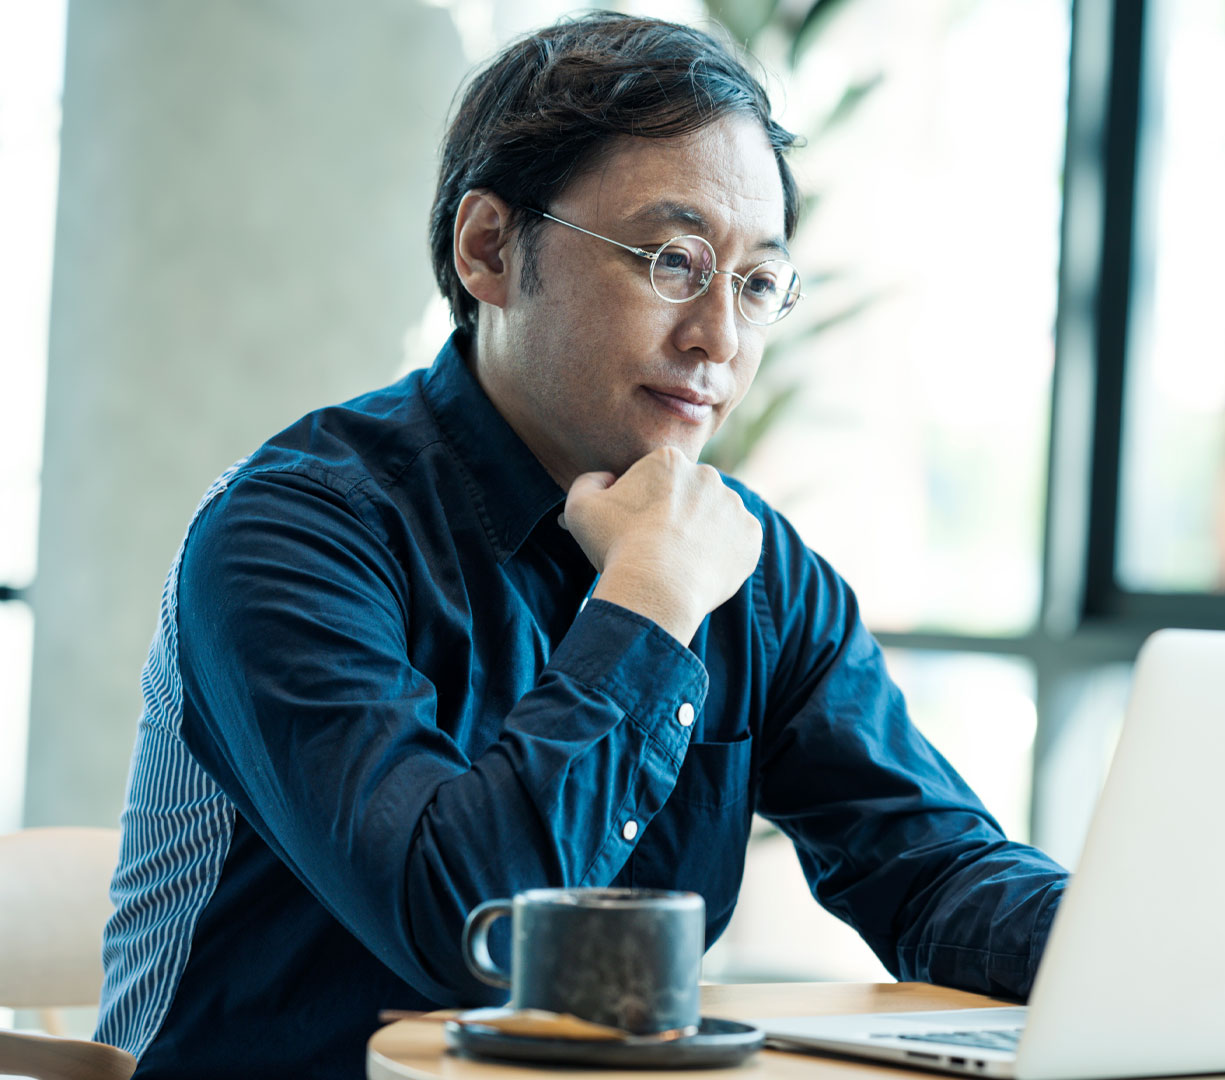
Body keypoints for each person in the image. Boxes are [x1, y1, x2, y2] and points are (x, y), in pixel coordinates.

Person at [93, 15, 1068, 1078]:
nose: (720, 340)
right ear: (489, 250)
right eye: (672, 259)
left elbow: (930, 871)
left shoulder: (756, 572)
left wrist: (1135, 949)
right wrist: (648, 604)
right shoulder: (295, 532)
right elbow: (475, 933)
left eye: (753, 282)